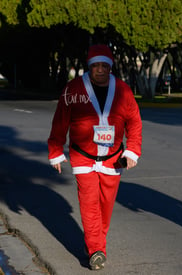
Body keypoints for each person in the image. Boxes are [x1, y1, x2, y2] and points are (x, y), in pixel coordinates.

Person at [47, 44, 142, 270]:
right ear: (89, 67)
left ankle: (95, 242)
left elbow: (134, 122)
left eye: (104, 65)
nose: (99, 70)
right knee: (89, 204)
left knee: (106, 205)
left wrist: (132, 150)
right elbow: (60, 121)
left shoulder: (123, 91)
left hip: (113, 158)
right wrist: (56, 151)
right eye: (95, 65)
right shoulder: (73, 89)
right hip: (83, 157)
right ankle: (97, 250)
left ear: (110, 67)